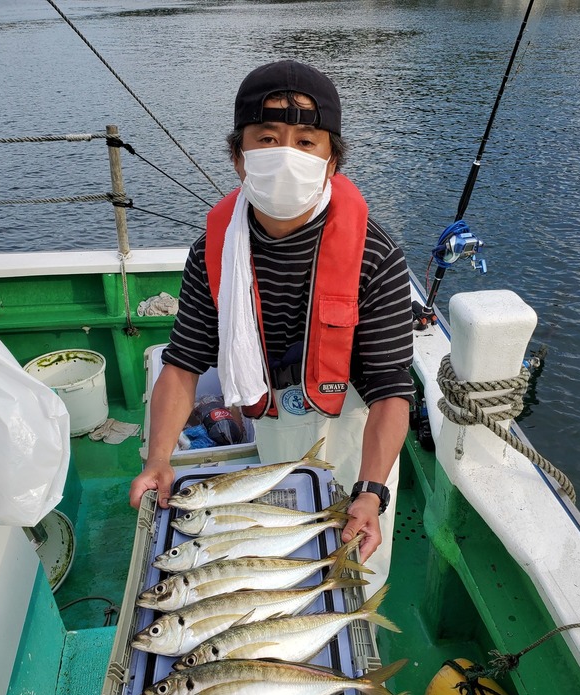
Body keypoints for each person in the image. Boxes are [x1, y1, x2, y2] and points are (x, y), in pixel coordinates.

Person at [130, 59, 415, 589]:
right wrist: (158, 459)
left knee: (355, 572)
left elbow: (391, 390)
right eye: (267, 137)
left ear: (333, 160)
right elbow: (184, 362)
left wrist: (371, 490)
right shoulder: (212, 253)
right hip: (272, 421)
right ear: (240, 157)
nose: (287, 155)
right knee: (279, 562)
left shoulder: (374, 255)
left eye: (307, 141)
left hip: (352, 425)